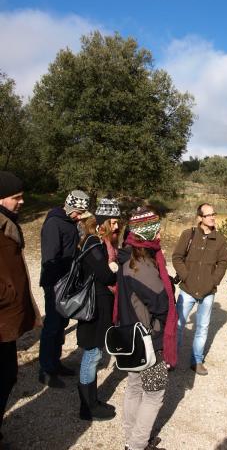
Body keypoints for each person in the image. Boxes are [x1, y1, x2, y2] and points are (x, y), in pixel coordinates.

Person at [118, 207, 177, 450]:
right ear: (149, 233)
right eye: (157, 227)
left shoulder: (127, 260)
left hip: (129, 337)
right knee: (153, 395)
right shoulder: (143, 266)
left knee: (133, 387)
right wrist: (169, 290)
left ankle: (131, 438)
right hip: (148, 340)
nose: (160, 232)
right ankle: (137, 445)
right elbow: (161, 305)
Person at [0, 172, 40, 443]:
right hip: (1, 315)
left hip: (5, 321)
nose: (22, 202)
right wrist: (8, 294)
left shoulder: (8, 223)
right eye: (16, 197)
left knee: (8, 376)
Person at [38, 189, 91, 387]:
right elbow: (50, 259)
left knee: (61, 325)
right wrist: (65, 274)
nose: (79, 217)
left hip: (66, 282)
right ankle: (46, 369)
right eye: (78, 212)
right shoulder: (54, 223)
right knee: (52, 326)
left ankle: (55, 363)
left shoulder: (71, 223)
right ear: (69, 207)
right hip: (55, 283)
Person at [76, 198, 121, 421]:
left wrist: (113, 267)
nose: (117, 227)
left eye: (117, 222)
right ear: (102, 222)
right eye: (113, 222)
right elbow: (105, 275)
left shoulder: (102, 244)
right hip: (92, 308)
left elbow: (108, 271)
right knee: (92, 355)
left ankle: (92, 400)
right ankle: (87, 407)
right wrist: (114, 269)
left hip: (100, 305)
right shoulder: (93, 243)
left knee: (95, 354)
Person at [172, 203, 227, 375]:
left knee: (202, 327)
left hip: (208, 292)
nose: (212, 217)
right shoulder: (188, 235)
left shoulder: (220, 239)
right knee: (179, 324)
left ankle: (196, 360)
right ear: (200, 218)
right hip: (187, 290)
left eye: (214, 214)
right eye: (208, 215)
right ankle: (171, 358)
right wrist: (186, 276)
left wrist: (213, 281)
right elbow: (177, 257)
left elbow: (223, 262)